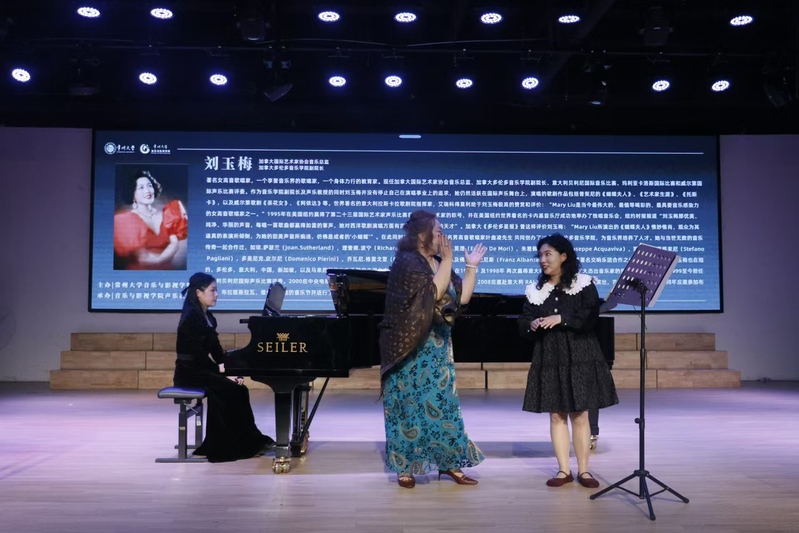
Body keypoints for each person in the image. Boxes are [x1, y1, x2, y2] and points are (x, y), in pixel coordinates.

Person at [378, 210, 487, 489]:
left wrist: (471, 266)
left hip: (436, 349)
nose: (443, 236)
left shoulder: (438, 262)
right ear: (422, 235)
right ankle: (404, 466)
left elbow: (461, 298)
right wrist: (448, 261)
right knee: (406, 407)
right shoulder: (407, 261)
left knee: (443, 406)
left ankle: (449, 463)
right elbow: (432, 294)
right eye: (438, 231)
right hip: (408, 347)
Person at [518, 234, 618, 489]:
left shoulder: (583, 284)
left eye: (548, 254)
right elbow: (523, 321)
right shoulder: (535, 291)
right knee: (556, 414)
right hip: (550, 355)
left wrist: (561, 319)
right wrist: (532, 323)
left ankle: (584, 470)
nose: (543, 260)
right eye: (540, 255)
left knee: (581, 414)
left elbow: (590, 317)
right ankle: (564, 470)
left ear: (563, 256)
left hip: (580, 353)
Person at [173, 272, 275, 462]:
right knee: (230, 389)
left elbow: (216, 350)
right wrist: (223, 374)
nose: (217, 294)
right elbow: (196, 357)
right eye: (212, 290)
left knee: (240, 389)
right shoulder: (190, 320)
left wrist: (229, 370)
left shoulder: (208, 317)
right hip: (189, 372)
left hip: (201, 369)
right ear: (198, 293)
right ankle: (225, 446)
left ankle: (247, 440)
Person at [113, 170, 188, 270]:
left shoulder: (168, 214)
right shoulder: (124, 220)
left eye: (149, 186)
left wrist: (161, 260)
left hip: (168, 273)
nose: (147, 191)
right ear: (132, 193)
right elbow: (141, 257)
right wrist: (160, 260)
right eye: (141, 187)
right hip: (139, 274)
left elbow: (175, 244)